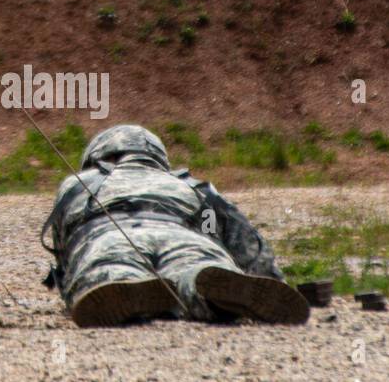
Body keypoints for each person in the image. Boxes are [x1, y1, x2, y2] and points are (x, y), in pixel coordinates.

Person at [42, 123, 309, 326]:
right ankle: (203, 284)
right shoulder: (191, 186)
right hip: (187, 236)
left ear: (99, 156)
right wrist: (272, 279)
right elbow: (244, 242)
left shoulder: (79, 182)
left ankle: (128, 285)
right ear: (159, 158)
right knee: (200, 266)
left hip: (111, 237)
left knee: (109, 269)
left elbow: (66, 250)